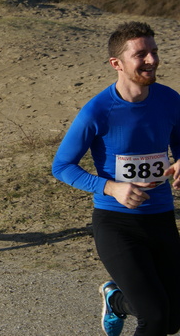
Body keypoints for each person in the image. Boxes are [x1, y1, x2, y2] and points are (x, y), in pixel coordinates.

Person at [52, 21, 180, 336]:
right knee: (155, 318)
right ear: (117, 64)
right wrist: (112, 187)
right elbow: (62, 166)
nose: (151, 60)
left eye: (154, 52)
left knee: (174, 317)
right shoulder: (97, 111)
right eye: (141, 54)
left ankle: (116, 300)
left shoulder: (169, 100)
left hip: (162, 218)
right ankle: (123, 301)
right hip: (117, 224)